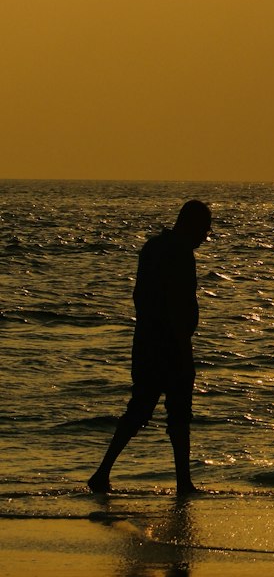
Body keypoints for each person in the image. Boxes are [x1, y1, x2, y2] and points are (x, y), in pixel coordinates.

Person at [88, 199, 212, 496]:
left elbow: (140, 297)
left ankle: (103, 473)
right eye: (203, 229)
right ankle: (183, 483)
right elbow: (177, 301)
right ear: (190, 225)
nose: (205, 236)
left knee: (141, 409)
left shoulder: (153, 248)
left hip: (146, 341)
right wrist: (179, 339)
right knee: (178, 414)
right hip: (170, 344)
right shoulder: (180, 253)